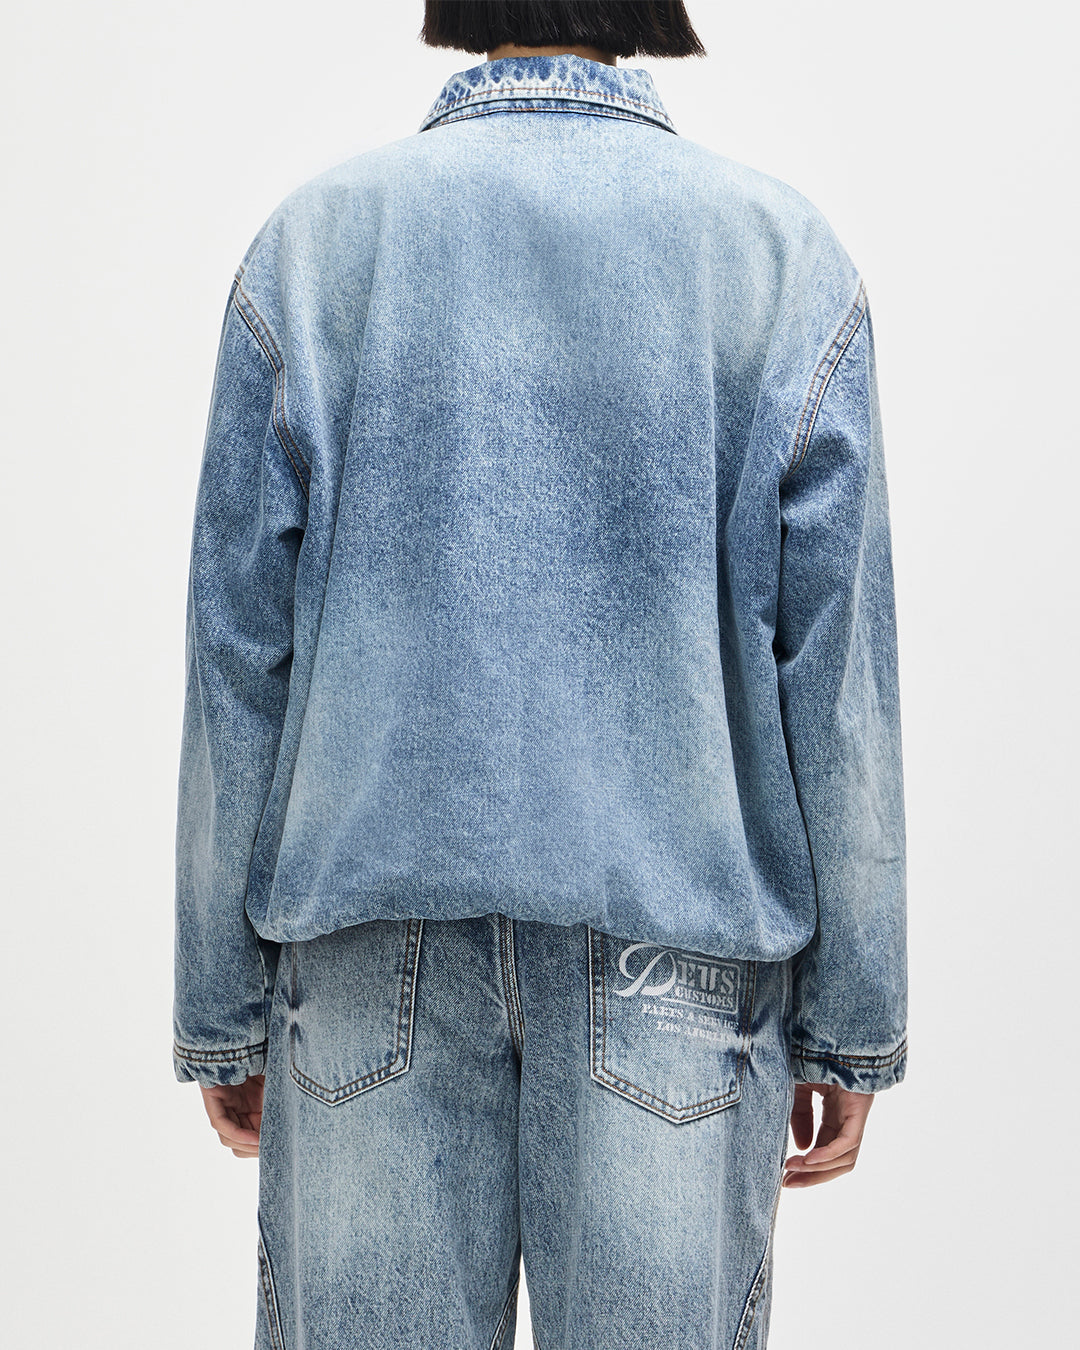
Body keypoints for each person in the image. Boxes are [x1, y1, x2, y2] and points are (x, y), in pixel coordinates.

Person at [172, 2, 908, 1346]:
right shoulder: (778, 260)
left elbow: (239, 654)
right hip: (676, 971)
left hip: (362, 959)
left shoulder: (318, 248)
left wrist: (223, 1010)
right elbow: (837, 683)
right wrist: (854, 1020)